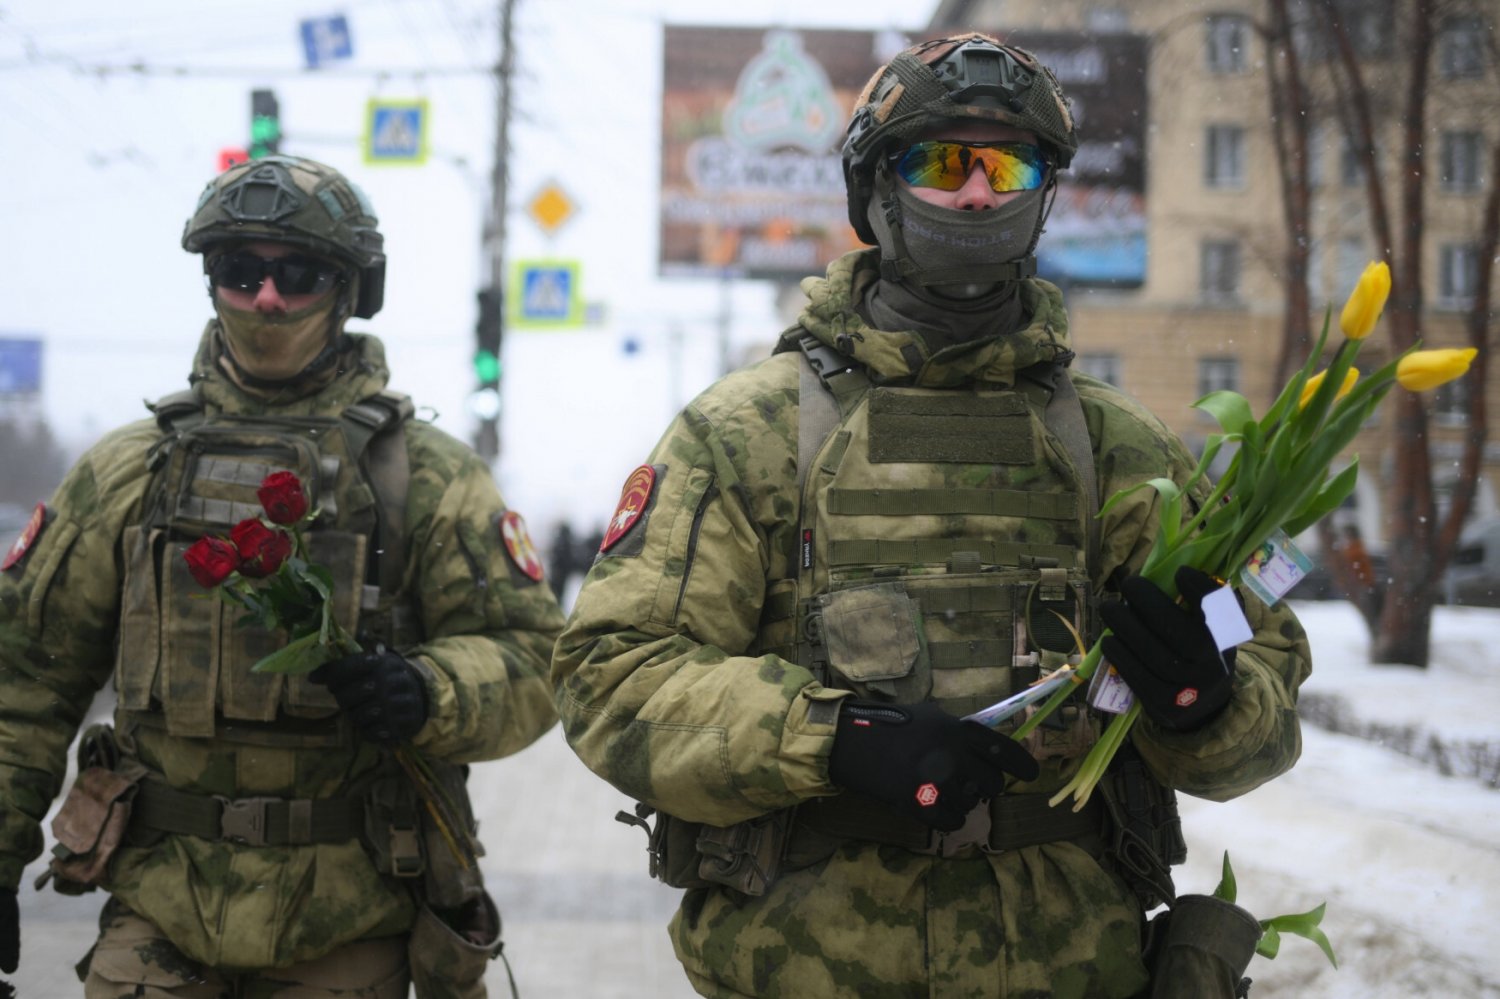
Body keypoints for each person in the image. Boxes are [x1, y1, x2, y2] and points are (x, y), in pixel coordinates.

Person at [551, 33, 1311, 999]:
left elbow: (1266, 693)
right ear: (875, 192)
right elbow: (610, 681)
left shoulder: (1122, 451)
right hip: (805, 971)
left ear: (1043, 195)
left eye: (1010, 164)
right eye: (943, 163)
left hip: (1074, 968)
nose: (978, 192)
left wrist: (1205, 700)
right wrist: (833, 740)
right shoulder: (751, 430)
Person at [0, 155, 564, 997]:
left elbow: (536, 659)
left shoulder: (425, 476)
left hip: (350, 913)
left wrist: (429, 688)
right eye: (239, 270)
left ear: (346, 288)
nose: (266, 297)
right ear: (211, 282)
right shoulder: (128, 470)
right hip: (160, 909)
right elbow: (25, 680)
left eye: (295, 273)